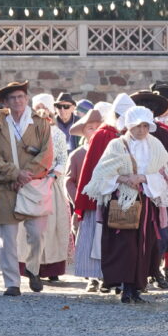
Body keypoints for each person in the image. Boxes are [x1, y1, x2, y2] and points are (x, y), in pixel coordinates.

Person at [83, 105, 168, 303]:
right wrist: (124, 179)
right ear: (129, 126)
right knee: (125, 246)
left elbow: (164, 175)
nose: (141, 130)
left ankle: (137, 288)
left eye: (145, 126)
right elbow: (101, 173)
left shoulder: (156, 146)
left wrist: (142, 178)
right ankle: (125, 287)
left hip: (146, 203)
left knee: (143, 245)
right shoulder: (116, 145)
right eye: (137, 126)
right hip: (121, 202)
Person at [0, 81, 54, 296]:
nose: (17, 101)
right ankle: (12, 283)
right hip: (6, 185)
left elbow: (47, 153)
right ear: (6, 102)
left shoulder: (41, 123)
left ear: (26, 99)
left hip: (34, 184)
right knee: (7, 239)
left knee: (36, 234)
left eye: (20, 97)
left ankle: (32, 268)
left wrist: (26, 175)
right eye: (12, 98)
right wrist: (14, 173)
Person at [73, 96, 133, 294]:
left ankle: (121, 278)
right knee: (96, 236)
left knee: (123, 238)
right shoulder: (102, 135)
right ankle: (96, 277)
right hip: (101, 198)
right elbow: (92, 170)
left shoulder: (134, 136)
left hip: (126, 195)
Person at [131, 89, 168, 289]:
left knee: (164, 229)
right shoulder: (127, 134)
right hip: (133, 189)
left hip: (161, 189)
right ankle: (140, 273)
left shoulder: (164, 132)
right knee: (136, 231)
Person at [18, 94, 72, 282]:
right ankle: (30, 267)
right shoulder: (26, 131)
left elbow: (63, 159)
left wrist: (52, 176)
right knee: (29, 228)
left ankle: (51, 268)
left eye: (45, 107)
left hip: (50, 185)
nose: (41, 111)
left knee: (50, 228)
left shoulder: (57, 134)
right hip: (30, 184)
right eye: (38, 107)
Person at [66, 106, 103, 291]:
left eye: (98, 127)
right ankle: (92, 277)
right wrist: (79, 200)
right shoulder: (77, 154)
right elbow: (69, 181)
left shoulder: (110, 152)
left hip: (105, 206)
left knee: (104, 241)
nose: (94, 131)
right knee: (87, 241)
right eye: (90, 128)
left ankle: (107, 276)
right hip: (85, 207)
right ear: (84, 131)